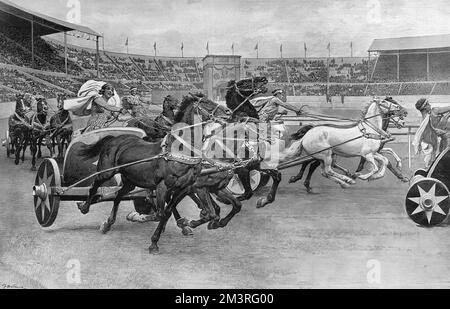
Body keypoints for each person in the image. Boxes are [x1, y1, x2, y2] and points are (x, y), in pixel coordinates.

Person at [413, 98, 450, 167]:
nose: (430, 105)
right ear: (425, 107)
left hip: (444, 141)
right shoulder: (434, 111)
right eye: (428, 104)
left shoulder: (424, 121)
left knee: (442, 160)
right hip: (446, 140)